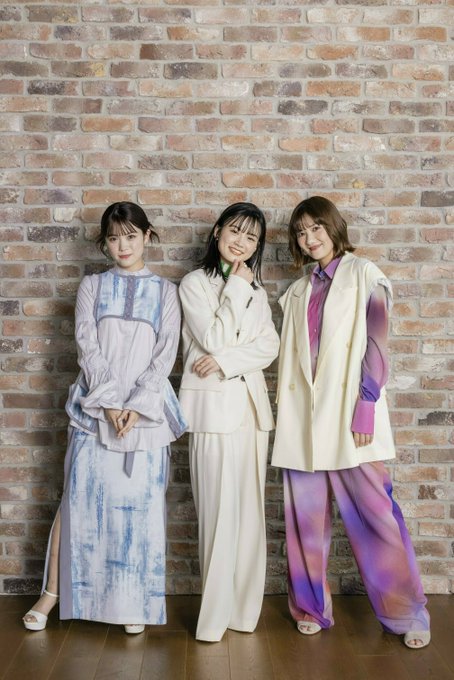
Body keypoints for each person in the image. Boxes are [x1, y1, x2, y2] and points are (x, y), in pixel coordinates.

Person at [272, 196, 430, 649]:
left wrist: (367, 404)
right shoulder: (297, 291)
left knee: (376, 518)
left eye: (316, 227)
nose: (309, 238)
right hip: (303, 422)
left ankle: (406, 615)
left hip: (350, 417)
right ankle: (310, 607)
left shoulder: (365, 274)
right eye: (301, 232)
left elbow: (377, 342)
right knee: (305, 523)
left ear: (333, 227)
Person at [23, 201, 187, 634]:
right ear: (104, 243)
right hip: (95, 408)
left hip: (146, 414)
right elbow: (87, 346)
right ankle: (52, 593)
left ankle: (132, 603)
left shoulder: (166, 292)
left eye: (131, 236)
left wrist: (137, 404)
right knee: (77, 501)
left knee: (139, 509)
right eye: (114, 238)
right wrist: (111, 403)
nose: (122, 246)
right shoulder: (92, 287)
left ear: (147, 236)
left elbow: (165, 354)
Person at [178, 202, 280, 642]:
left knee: (249, 518)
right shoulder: (194, 284)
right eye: (235, 231)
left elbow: (270, 346)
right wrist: (237, 288)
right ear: (218, 231)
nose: (241, 242)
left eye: (251, 237)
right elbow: (214, 337)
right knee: (218, 517)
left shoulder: (257, 290)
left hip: (252, 414)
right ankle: (213, 621)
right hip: (213, 413)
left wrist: (224, 362)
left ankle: (243, 614)